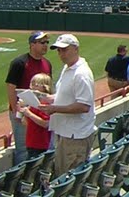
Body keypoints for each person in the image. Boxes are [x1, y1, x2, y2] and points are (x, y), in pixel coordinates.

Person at [39, 34, 96, 176]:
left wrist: (54, 108)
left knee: (67, 177)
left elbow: (84, 106)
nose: (61, 54)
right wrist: (47, 98)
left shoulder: (81, 74)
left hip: (75, 136)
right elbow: (64, 96)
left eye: (64, 50)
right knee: (61, 173)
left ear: (76, 49)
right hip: (66, 133)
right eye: (59, 51)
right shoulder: (68, 68)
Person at [5, 32, 52, 165]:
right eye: (42, 43)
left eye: (46, 43)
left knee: (40, 146)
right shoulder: (19, 63)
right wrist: (16, 111)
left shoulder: (47, 64)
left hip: (40, 113)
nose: (45, 46)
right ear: (32, 44)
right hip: (23, 112)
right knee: (23, 148)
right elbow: (11, 87)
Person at [17, 73, 53, 159]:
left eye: (35, 85)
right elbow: (25, 123)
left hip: (41, 144)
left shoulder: (45, 104)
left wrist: (29, 113)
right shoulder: (32, 102)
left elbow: (45, 124)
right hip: (31, 142)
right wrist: (23, 110)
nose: (31, 87)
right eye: (31, 84)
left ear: (44, 87)